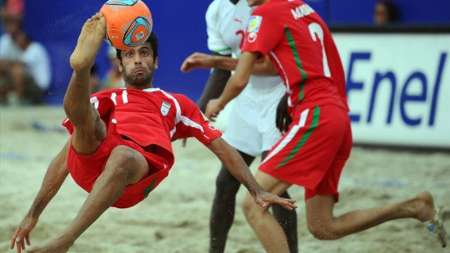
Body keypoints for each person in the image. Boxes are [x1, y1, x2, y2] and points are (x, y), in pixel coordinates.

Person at [9, 14, 296, 253]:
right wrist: (33, 213)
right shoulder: (106, 98)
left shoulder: (176, 103)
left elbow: (220, 147)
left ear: (156, 62)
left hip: (136, 173)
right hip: (93, 164)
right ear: (119, 64)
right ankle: (80, 68)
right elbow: (64, 160)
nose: (137, 60)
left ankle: (65, 238)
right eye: (129, 55)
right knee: (88, 120)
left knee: (120, 152)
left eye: (144, 53)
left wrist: (256, 189)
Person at [205, 0, 447, 252]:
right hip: (338, 115)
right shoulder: (304, 9)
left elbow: (240, 79)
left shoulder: (264, 14)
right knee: (323, 226)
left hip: (315, 114)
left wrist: (218, 102)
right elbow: (280, 64)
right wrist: (213, 62)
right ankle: (414, 206)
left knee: (254, 203)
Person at [180, 1, 298, 252]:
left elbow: (290, 56)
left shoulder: (267, 5)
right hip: (244, 99)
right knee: (225, 184)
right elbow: (221, 69)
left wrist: (290, 94)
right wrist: (197, 115)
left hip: (278, 96)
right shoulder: (216, 10)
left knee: (274, 190)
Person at [0, 13, 51, 105]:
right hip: (20, 83)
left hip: (38, 87)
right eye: (8, 24)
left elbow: (19, 66)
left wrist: (6, 65)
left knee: (17, 71)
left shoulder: (35, 49)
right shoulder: (7, 41)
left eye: (13, 24)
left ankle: (18, 102)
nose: (10, 27)